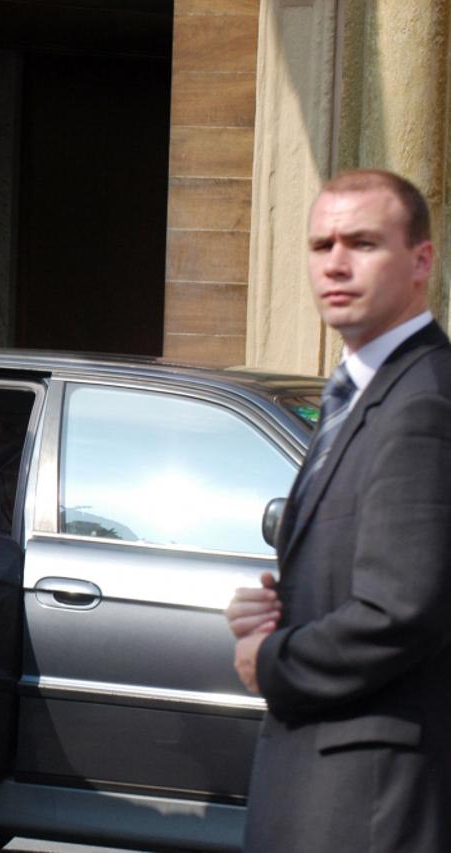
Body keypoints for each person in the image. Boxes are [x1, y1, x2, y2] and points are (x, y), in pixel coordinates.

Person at [225, 169, 451, 852]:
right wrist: (277, 607)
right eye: (321, 245)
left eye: (362, 243)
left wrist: (270, 659)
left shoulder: (423, 402)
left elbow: (401, 610)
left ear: (421, 260)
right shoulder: (357, 392)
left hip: (368, 797)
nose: (335, 263)